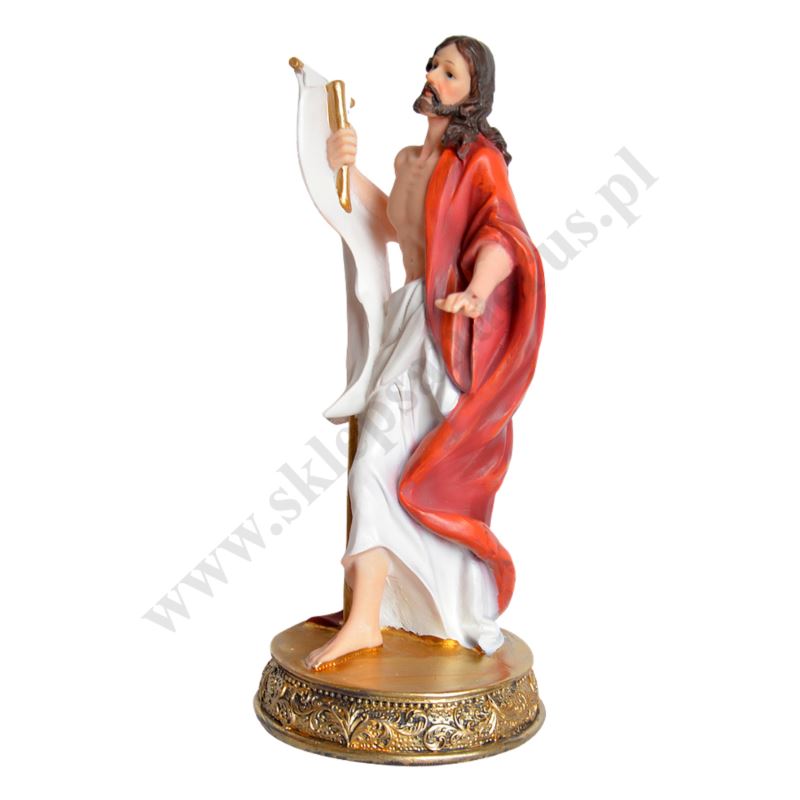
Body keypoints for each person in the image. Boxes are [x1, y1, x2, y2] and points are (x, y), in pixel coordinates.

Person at [303, 35, 546, 671]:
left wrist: (476, 291)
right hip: (407, 317)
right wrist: (344, 167)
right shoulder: (410, 159)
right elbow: (392, 225)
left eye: (451, 72)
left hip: (445, 327)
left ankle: (367, 620)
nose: (434, 76)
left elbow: (503, 236)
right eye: (433, 65)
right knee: (383, 465)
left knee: (379, 463)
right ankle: (380, 614)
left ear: (474, 93)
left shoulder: (480, 161)